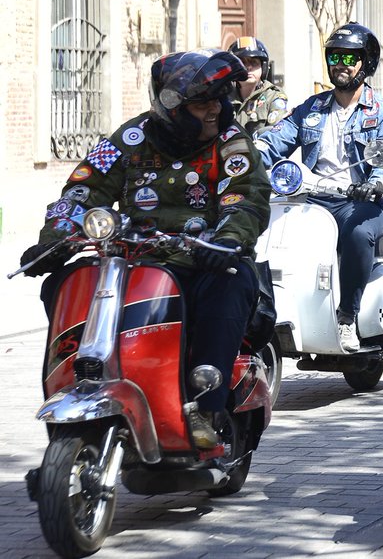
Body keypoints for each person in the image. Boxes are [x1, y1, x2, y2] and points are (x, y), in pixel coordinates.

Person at [21, 49, 271, 448]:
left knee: (234, 281)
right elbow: (83, 190)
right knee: (62, 282)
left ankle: (205, 406)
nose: (215, 111)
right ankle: (81, 379)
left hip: (199, 260)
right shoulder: (129, 138)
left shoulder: (231, 142)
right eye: (202, 103)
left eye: (219, 101)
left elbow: (247, 197)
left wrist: (227, 240)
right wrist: (53, 241)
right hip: (131, 263)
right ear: (172, 107)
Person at [256, 23, 383, 353]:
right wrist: (243, 159)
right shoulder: (310, 109)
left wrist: (377, 182)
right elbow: (274, 141)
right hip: (312, 199)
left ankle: (346, 317)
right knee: (269, 231)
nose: (341, 63)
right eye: (335, 56)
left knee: (358, 234)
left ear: (366, 63)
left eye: (350, 58)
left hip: (362, 200)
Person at [228, 36, 289, 136]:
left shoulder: (273, 97)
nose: (248, 67)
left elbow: (277, 135)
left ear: (263, 67)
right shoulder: (224, 97)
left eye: (254, 62)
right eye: (242, 63)